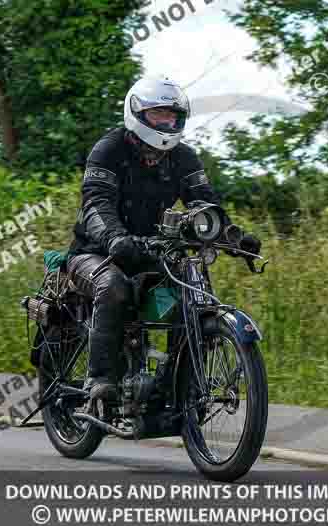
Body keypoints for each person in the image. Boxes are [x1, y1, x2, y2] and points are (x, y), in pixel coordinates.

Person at [66, 75, 261, 401]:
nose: (167, 121)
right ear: (137, 113)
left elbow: (204, 203)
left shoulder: (183, 157)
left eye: (172, 115)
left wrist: (232, 237)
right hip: (96, 253)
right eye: (158, 114)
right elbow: (95, 204)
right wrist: (115, 238)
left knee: (185, 294)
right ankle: (99, 379)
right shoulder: (109, 149)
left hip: (151, 252)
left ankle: (172, 386)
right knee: (113, 287)